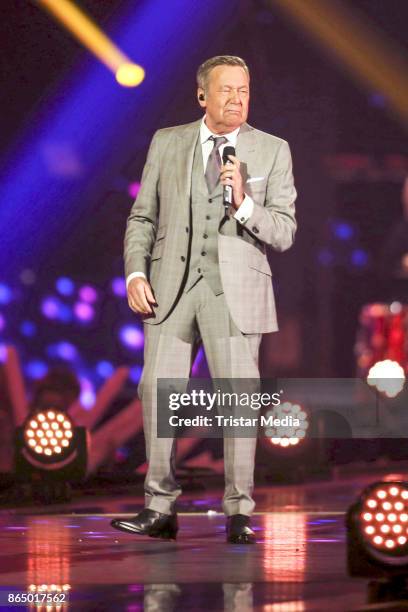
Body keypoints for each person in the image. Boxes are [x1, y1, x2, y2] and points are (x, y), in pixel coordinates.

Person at [111, 55, 297, 544]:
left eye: (244, 90)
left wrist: (245, 204)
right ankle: (159, 506)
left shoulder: (273, 150)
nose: (237, 99)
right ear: (202, 96)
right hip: (169, 289)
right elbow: (142, 218)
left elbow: (285, 231)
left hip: (234, 291)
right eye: (227, 90)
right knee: (156, 391)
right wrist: (135, 272)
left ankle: (239, 511)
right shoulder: (167, 142)